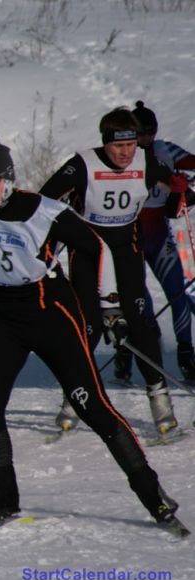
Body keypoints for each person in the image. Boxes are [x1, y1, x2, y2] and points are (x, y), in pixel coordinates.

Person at [0, 135, 181, 526]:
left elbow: (98, 248)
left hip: (50, 310)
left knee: (93, 408)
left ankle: (152, 494)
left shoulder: (43, 210)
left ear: (9, 179)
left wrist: (110, 307)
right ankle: (4, 495)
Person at [39, 107, 193, 436]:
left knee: (141, 324)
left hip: (126, 249)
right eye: (117, 147)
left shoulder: (147, 162)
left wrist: (178, 189)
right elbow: (44, 199)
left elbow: (179, 199)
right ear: (105, 143)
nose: (125, 153)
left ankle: (160, 400)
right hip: (88, 251)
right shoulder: (83, 163)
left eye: (130, 145)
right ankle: (74, 395)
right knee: (89, 325)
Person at [112, 101, 195, 383]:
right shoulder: (121, 157)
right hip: (129, 238)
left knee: (177, 294)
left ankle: (186, 354)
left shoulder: (165, 151)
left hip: (159, 235)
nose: (144, 138)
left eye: (150, 132)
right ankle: (130, 356)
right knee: (138, 303)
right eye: (139, 132)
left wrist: (186, 191)